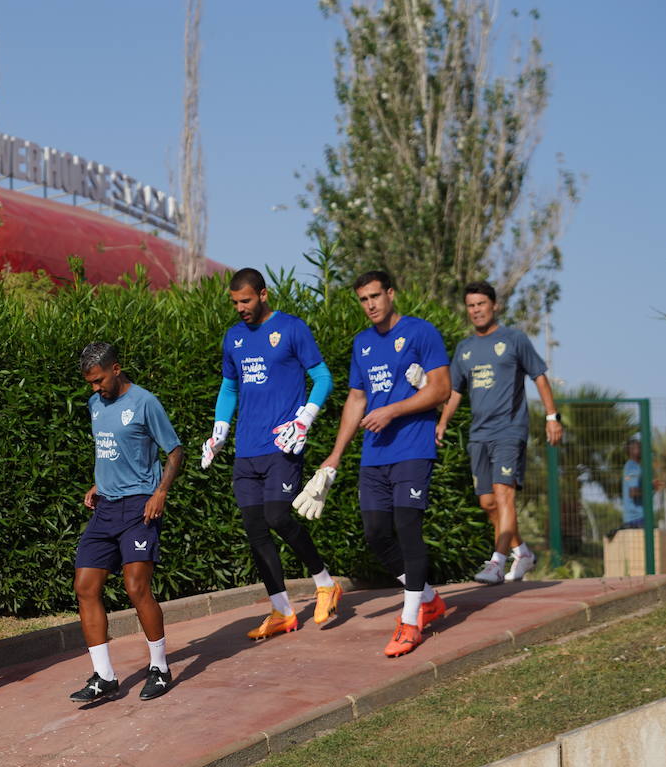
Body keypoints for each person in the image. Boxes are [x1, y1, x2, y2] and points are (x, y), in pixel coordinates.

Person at [297, 270, 451, 658]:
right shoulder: (362, 343)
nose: (370, 305)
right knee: (377, 534)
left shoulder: (421, 332)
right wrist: (334, 456)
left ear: (391, 294)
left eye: (375, 296)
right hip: (374, 454)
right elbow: (356, 400)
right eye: (363, 299)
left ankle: (411, 620)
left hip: (413, 449)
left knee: (406, 528)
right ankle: (429, 598)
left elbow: (442, 389)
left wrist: (393, 411)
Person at [200, 267, 343, 637]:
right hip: (246, 450)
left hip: (282, 444)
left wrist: (306, 418)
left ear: (263, 295)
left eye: (245, 300)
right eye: (234, 302)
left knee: (279, 517)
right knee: (254, 528)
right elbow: (229, 388)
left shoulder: (292, 328)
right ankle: (282, 611)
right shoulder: (233, 338)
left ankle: (325, 583)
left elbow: (323, 377)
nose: (239, 308)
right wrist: (220, 430)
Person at [71, 342, 185, 703]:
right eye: (90, 382)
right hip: (106, 508)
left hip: (140, 507)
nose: (95, 389)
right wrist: (99, 483)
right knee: (85, 586)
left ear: (116, 368)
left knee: (136, 588)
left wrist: (161, 492)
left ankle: (160, 669)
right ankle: (104, 677)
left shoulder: (144, 402)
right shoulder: (94, 405)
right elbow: (111, 451)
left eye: (99, 380)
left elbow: (175, 450)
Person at [435, 281, 562, 584]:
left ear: (494, 306)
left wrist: (552, 417)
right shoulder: (465, 349)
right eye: (471, 305)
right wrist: (442, 423)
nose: (476, 310)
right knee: (488, 503)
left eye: (481, 304)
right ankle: (523, 553)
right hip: (479, 435)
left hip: (509, 430)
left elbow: (540, 378)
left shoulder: (514, 339)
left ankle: (497, 562)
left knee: (505, 495)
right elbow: (454, 392)